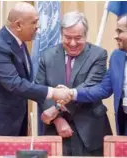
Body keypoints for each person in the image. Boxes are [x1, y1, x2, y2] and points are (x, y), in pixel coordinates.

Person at [0, 2, 73, 155]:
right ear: (18, 25)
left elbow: (27, 83)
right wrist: (53, 93)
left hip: (11, 124)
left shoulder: (19, 42)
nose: (38, 26)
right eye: (34, 22)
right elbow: (15, 84)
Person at [35, 11, 112, 156]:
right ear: (61, 34)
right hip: (54, 130)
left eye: (78, 38)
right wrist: (57, 119)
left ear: (86, 35)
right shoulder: (47, 56)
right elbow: (40, 90)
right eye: (68, 37)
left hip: (89, 129)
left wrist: (56, 107)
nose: (72, 43)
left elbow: (90, 86)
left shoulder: (98, 55)